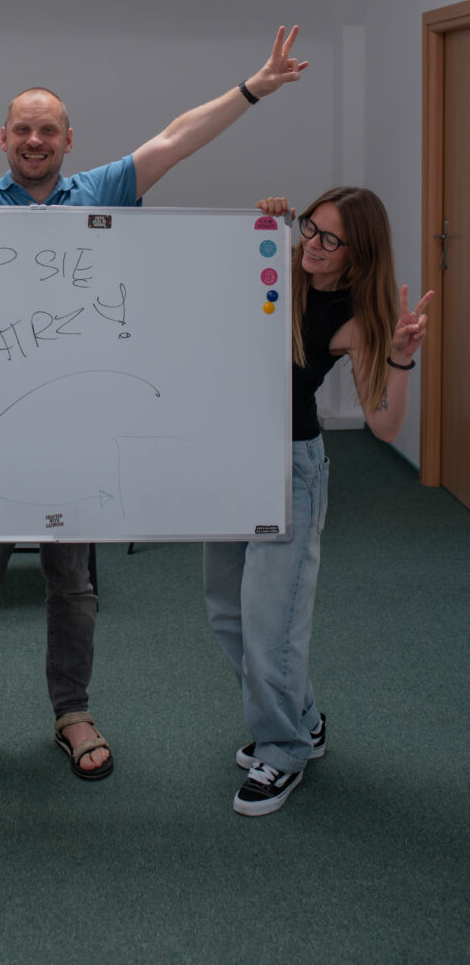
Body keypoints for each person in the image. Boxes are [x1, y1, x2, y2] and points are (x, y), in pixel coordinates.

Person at [0, 25, 308, 791]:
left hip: (76, 437)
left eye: (47, 131)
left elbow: (175, 139)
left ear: (68, 141)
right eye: (22, 130)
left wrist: (253, 87)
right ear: (3, 138)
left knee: (73, 586)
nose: (34, 141)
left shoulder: (102, 192)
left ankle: (72, 712)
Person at [204, 189, 434, 816]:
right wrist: (262, 220)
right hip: (230, 460)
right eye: (312, 227)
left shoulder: (356, 318)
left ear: (358, 253)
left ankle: (283, 750)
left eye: (331, 239)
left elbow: (384, 425)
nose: (313, 244)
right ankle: (302, 719)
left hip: (289, 469)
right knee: (228, 612)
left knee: (271, 621)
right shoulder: (279, 267)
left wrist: (400, 360)